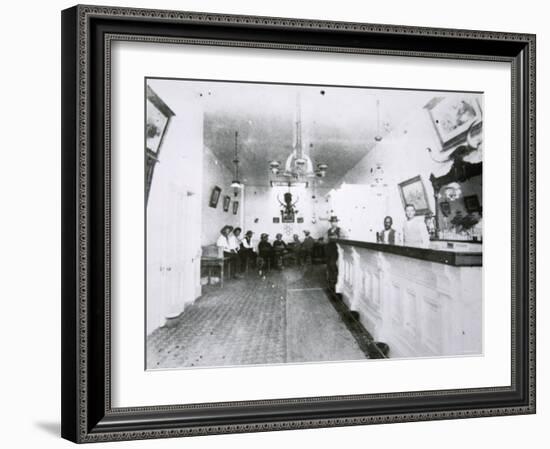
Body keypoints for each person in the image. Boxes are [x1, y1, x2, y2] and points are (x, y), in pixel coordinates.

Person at [325, 216, 346, 291]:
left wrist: (338, 237)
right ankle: (331, 282)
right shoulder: (328, 230)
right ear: (330, 223)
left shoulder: (340, 230)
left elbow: (345, 238)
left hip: (336, 250)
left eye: (335, 222)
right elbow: (326, 240)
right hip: (329, 250)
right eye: (332, 222)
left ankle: (335, 280)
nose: (333, 223)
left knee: (333, 264)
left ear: (337, 222)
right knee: (329, 265)